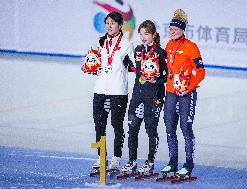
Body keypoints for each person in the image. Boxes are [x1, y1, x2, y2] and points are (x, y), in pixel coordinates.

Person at [81, 11, 134, 171]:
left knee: (117, 125)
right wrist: (88, 67)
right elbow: (94, 61)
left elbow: (133, 67)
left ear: (119, 25)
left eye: (112, 23)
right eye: (107, 23)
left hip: (118, 90)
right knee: (99, 124)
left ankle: (116, 158)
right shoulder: (100, 42)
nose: (109, 26)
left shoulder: (126, 44)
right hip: (100, 89)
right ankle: (101, 156)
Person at [161, 9, 206, 177]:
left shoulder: (191, 47)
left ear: (181, 29)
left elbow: (201, 72)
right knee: (169, 127)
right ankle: (173, 162)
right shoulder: (168, 45)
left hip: (186, 93)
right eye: (170, 29)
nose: (171, 31)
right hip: (171, 92)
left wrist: (190, 87)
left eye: (174, 29)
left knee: (185, 127)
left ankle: (188, 164)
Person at [120, 20, 167, 174]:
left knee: (150, 128)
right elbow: (137, 70)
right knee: (132, 128)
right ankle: (132, 161)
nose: (143, 36)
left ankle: (150, 162)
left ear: (153, 34)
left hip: (155, 97)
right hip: (138, 96)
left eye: (146, 33)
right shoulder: (138, 50)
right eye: (140, 34)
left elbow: (167, 76)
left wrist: (156, 80)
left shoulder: (160, 52)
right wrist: (125, 62)